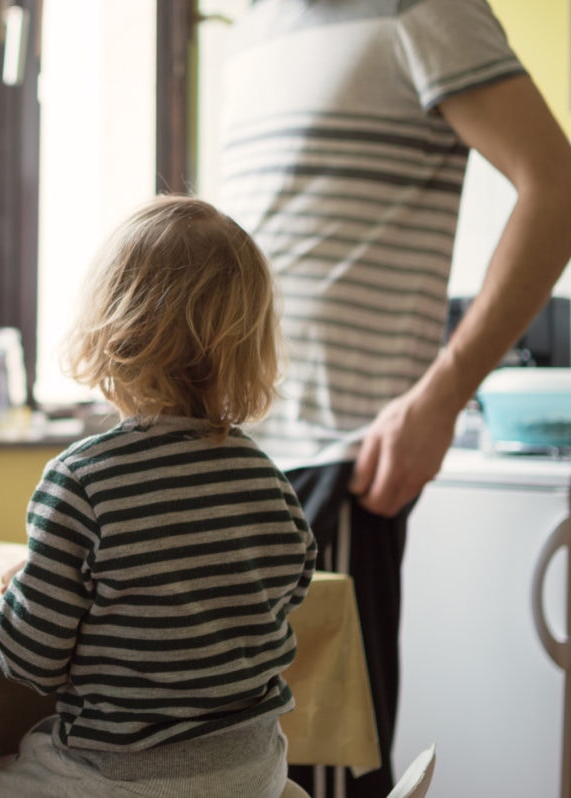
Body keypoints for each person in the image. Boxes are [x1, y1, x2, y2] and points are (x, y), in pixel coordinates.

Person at [217, 1, 571, 794]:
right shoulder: (257, 25)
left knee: (316, 778)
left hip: (336, 462)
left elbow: (557, 187)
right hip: (231, 454)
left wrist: (441, 396)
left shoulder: (423, 8)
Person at [0, 195, 317, 798]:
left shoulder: (82, 481)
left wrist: (27, 587)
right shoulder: (268, 478)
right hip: (255, 769)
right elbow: (289, 587)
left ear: (110, 333)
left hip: (119, 777)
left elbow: (31, 661)